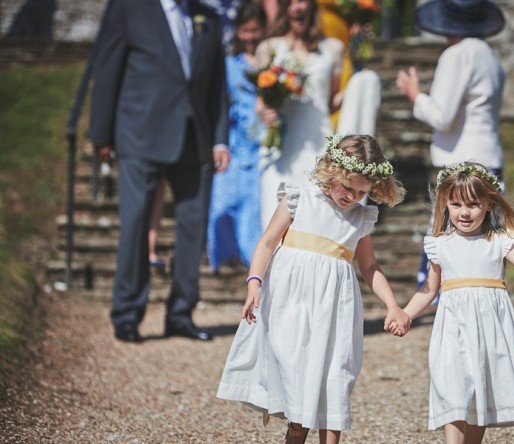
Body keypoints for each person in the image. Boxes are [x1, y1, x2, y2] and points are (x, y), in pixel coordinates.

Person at [217, 135, 410, 444]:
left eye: (361, 191)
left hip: (335, 305)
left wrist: (394, 305)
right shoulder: (299, 197)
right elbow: (266, 242)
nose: (351, 197)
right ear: (332, 170)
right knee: (297, 366)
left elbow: (369, 267)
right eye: (347, 188)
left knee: (334, 372)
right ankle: (295, 431)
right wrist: (254, 282)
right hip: (291, 299)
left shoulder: (362, 218)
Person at [389, 163, 514, 444]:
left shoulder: (499, 240)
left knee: (480, 393)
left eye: (473, 204)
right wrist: (405, 314)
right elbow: (429, 290)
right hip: (453, 328)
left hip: (491, 329)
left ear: (489, 204)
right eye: (456, 204)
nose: (464, 212)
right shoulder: (439, 244)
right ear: (445, 203)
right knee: (453, 388)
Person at [89, 0, 230, 343]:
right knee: (135, 223)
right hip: (140, 134)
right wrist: (101, 133)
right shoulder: (129, 9)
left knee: (192, 229)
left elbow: (216, 86)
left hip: (194, 139)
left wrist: (220, 140)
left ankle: (181, 313)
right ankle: (126, 313)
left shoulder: (207, 17)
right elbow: (108, 68)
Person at [395, 0, 507, 287]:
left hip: (462, 163)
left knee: (452, 249)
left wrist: (415, 95)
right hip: (490, 160)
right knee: (481, 248)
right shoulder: (490, 57)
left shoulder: (457, 55)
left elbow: (442, 116)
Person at [255, 0, 344, 228]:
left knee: (314, 215)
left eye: (302, 1)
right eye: (292, 2)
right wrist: (267, 112)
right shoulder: (269, 47)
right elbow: (259, 102)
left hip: (318, 142)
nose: (298, 7)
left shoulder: (332, 49)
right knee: (273, 214)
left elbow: (332, 101)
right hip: (280, 146)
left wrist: (354, 92)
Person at [207, 2, 266, 269]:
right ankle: (223, 257)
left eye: (255, 30)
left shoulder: (272, 65)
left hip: (263, 145)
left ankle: (251, 261)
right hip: (234, 141)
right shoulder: (229, 64)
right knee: (222, 203)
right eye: (245, 30)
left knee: (254, 208)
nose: (250, 36)